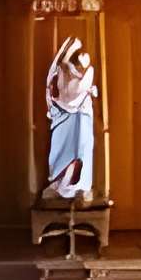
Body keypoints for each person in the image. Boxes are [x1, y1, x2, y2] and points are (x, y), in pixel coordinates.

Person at [42, 36, 97, 203]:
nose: (84, 60)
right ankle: (61, 183)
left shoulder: (87, 72)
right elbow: (62, 93)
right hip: (64, 117)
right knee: (62, 149)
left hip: (82, 117)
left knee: (83, 148)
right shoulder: (62, 70)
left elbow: (80, 90)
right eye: (81, 56)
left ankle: (81, 186)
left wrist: (86, 91)